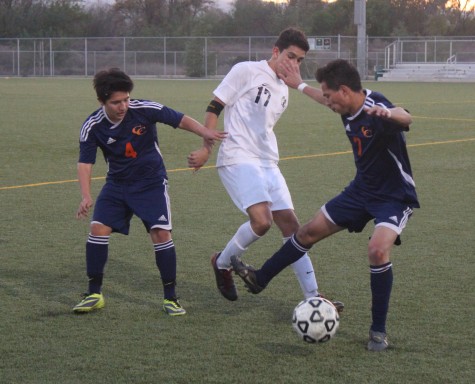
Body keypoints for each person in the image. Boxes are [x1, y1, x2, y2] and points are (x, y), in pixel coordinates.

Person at [230, 59, 419, 351]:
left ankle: (378, 332)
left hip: (393, 196)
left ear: (344, 91)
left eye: (330, 96)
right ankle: (259, 278)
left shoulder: (374, 106)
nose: (327, 102)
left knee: (377, 250)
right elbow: (322, 97)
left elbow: (405, 117)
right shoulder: (347, 106)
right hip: (360, 191)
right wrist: (299, 85)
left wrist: (390, 113)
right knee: (306, 233)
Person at [187, 27, 343, 311]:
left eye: (299, 60)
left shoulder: (286, 89)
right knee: (262, 221)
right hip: (238, 157)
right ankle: (221, 263)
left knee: (293, 228)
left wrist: (298, 83)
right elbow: (214, 105)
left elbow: (329, 101)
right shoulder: (246, 70)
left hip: (268, 162)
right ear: (275, 51)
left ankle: (313, 298)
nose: (293, 64)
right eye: (290, 56)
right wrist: (206, 148)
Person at [73, 68, 226, 316]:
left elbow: (178, 118)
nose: (123, 106)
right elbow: (85, 163)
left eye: (126, 99)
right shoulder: (92, 126)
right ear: (102, 101)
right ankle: (94, 293)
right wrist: (86, 195)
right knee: (97, 229)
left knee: (160, 234)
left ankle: (171, 298)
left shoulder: (143, 108)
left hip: (151, 183)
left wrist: (205, 132)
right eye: (116, 102)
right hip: (117, 184)